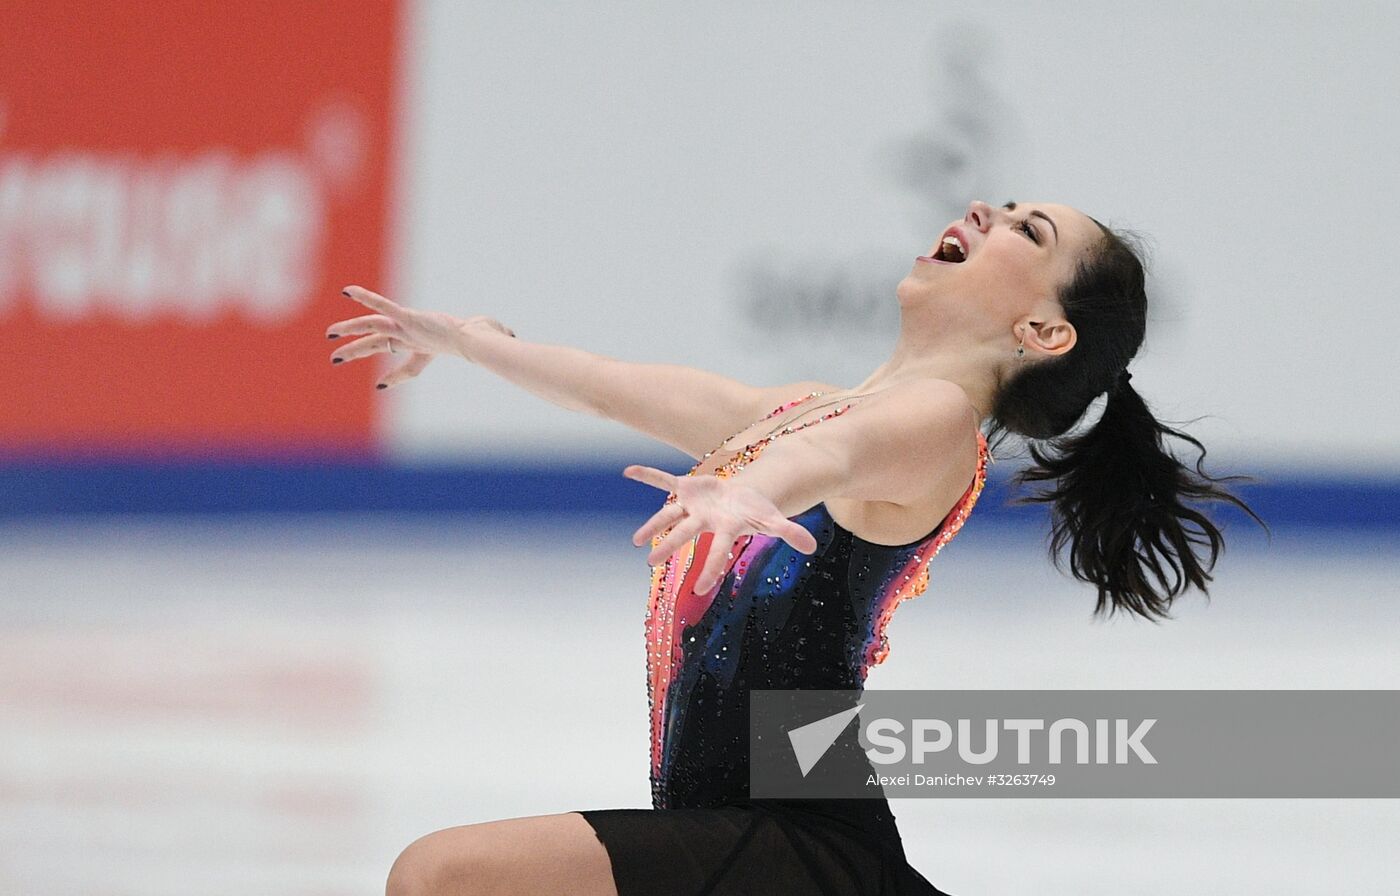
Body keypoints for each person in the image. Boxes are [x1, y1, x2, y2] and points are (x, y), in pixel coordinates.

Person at [327, 199, 1265, 896]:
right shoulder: (805, 407)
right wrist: (470, 343)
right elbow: (614, 386)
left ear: (1044, 332)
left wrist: (753, 489)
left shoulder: (938, 423)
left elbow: (830, 459)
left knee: (442, 876)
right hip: (743, 832)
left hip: (803, 844)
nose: (987, 210)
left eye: (1028, 232)